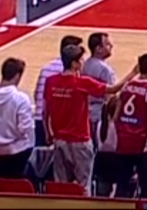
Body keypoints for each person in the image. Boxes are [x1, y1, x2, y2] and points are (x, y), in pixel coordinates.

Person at [44, 43, 136, 194]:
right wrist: (133, 73)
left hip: (59, 140)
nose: (83, 62)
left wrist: (48, 132)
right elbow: (113, 89)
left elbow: (45, 111)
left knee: (61, 186)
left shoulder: (51, 82)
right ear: (74, 64)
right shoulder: (82, 83)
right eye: (81, 60)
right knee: (83, 187)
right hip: (80, 142)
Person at [113, 53, 147, 199]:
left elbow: (116, 118)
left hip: (124, 144)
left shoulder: (126, 86)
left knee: (122, 188)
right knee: (146, 190)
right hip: (143, 146)